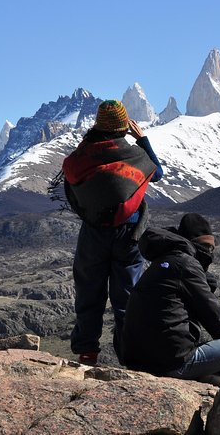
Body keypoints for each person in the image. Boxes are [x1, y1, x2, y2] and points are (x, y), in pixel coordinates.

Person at [62, 99, 163, 366]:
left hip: (93, 232)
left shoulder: (85, 154)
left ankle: (87, 353)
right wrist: (143, 141)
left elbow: (70, 177)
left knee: (89, 290)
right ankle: (130, 357)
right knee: (127, 296)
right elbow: (157, 172)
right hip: (129, 233)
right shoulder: (133, 155)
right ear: (124, 127)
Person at [121, 213, 220, 381]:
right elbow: (213, 316)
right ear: (196, 244)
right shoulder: (186, 264)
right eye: (208, 247)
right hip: (173, 364)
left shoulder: (165, 260)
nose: (210, 253)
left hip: (140, 362)